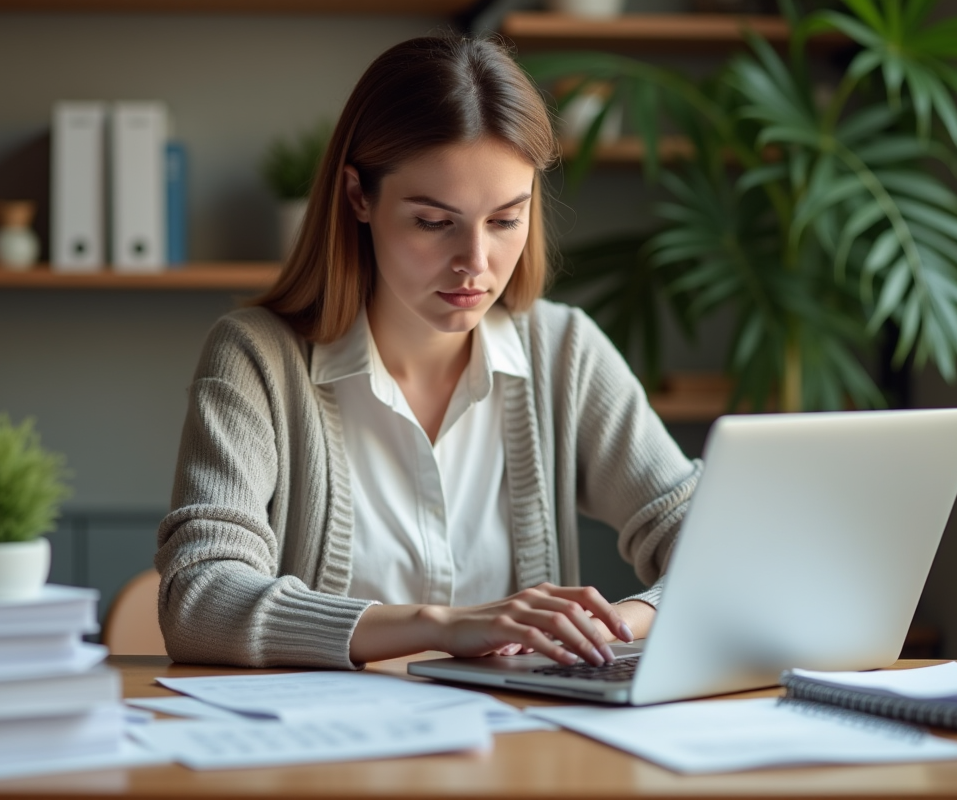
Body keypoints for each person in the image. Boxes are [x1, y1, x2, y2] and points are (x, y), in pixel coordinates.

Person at [155, 35, 702, 671]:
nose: (475, 263)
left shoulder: (564, 352)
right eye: (434, 222)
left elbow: (711, 539)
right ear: (359, 197)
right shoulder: (256, 359)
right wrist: (440, 626)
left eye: (505, 221)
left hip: (524, 752)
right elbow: (197, 597)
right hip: (322, 757)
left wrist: (612, 626)